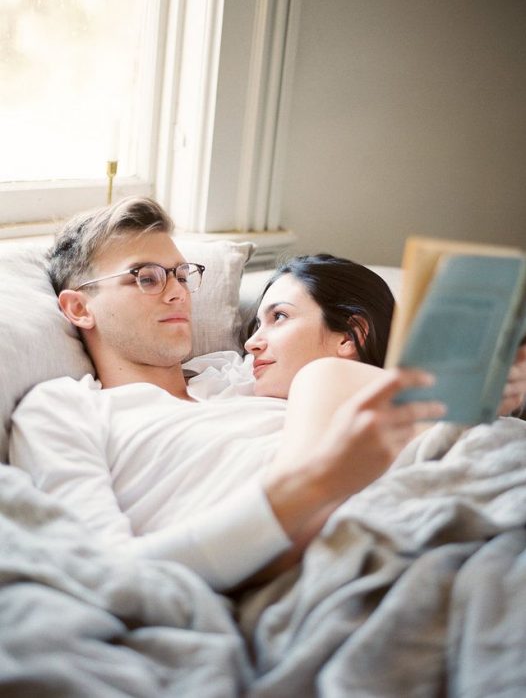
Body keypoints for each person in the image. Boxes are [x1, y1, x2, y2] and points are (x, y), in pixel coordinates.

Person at [8, 196, 526, 592]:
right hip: (326, 557)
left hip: (447, 492)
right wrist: (312, 487)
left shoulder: (238, 373)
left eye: (183, 274)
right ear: (79, 309)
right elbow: (107, 575)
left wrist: (474, 400)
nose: (177, 292)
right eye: (145, 278)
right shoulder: (65, 409)